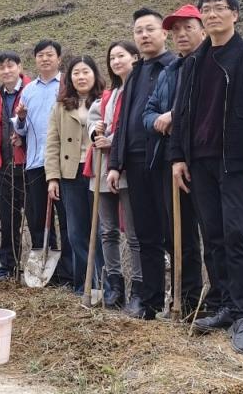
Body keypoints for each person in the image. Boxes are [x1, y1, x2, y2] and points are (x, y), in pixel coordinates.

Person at [169, 0, 243, 355]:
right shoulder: (193, 62)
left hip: (235, 161)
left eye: (220, 8)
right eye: (207, 9)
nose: (212, 14)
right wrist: (178, 157)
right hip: (199, 161)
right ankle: (223, 305)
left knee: (237, 235)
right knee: (213, 236)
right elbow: (181, 113)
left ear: (235, 14)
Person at [142, 3, 216, 319]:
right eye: (176, 30)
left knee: (212, 233)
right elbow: (148, 113)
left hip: (203, 159)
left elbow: (208, 107)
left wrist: (176, 115)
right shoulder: (170, 71)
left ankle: (217, 303)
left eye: (188, 27)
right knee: (178, 234)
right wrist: (160, 120)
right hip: (170, 160)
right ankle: (185, 302)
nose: (181, 34)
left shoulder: (212, 64)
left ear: (203, 30)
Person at [106, 8, 178, 319]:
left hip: (164, 160)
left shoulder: (175, 67)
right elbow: (122, 122)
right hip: (135, 162)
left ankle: (183, 301)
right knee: (146, 234)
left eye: (150, 29)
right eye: (139, 31)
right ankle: (150, 301)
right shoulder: (134, 74)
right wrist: (115, 164)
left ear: (164, 33)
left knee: (173, 234)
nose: (144, 35)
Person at [86, 41, 142, 310]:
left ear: (135, 57)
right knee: (107, 231)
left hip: (129, 167)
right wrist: (96, 133)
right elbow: (93, 123)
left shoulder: (140, 89)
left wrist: (113, 141)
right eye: (112, 58)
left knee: (134, 232)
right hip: (103, 166)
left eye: (121, 56)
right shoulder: (108, 95)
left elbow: (134, 126)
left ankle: (139, 287)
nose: (116, 61)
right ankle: (115, 286)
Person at [45, 55, 106, 295]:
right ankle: (84, 284)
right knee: (75, 232)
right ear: (69, 78)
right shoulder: (61, 106)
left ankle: (104, 285)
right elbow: (52, 143)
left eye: (86, 72)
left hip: (97, 171)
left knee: (99, 230)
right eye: (76, 73)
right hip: (70, 173)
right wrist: (52, 177)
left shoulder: (105, 100)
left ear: (94, 74)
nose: (81, 77)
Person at [15, 39, 72, 286]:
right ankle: (47, 271)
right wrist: (20, 119)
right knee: (38, 217)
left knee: (67, 218)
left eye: (50, 55)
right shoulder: (28, 90)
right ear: (35, 60)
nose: (45, 59)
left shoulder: (68, 85)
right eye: (40, 55)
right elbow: (22, 130)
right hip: (35, 163)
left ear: (59, 58)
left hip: (64, 162)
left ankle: (69, 272)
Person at [0, 51, 31, 281]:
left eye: (10, 65)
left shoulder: (31, 91)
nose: (6, 70)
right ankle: (8, 268)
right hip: (4, 168)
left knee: (36, 220)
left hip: (30, 166)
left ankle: (40, 271)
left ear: (19, 67)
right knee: (7, 221)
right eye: (1, 67)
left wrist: (25, 141)